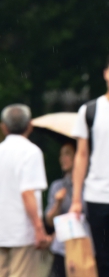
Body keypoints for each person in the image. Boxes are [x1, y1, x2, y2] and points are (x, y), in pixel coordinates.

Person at [69, 48, 109, 277]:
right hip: (97, 194)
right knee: (103, 260)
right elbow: (81, 155)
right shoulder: (89, 110)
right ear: (106, 73)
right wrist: (76, 199)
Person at [0, 104, 51, 277]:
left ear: (4, 127)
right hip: (22, 231)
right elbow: (27, 192)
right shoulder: (31, 152)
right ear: (29, 125)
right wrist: (39, 228)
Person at [45, 141, 76, 277]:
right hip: (61, 247)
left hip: (83, 245)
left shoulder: (88, 186)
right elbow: (49, 221)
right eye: (61, 155)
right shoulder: (57, 186)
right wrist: (57, 203)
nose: (63, 158)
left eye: (67, 153)